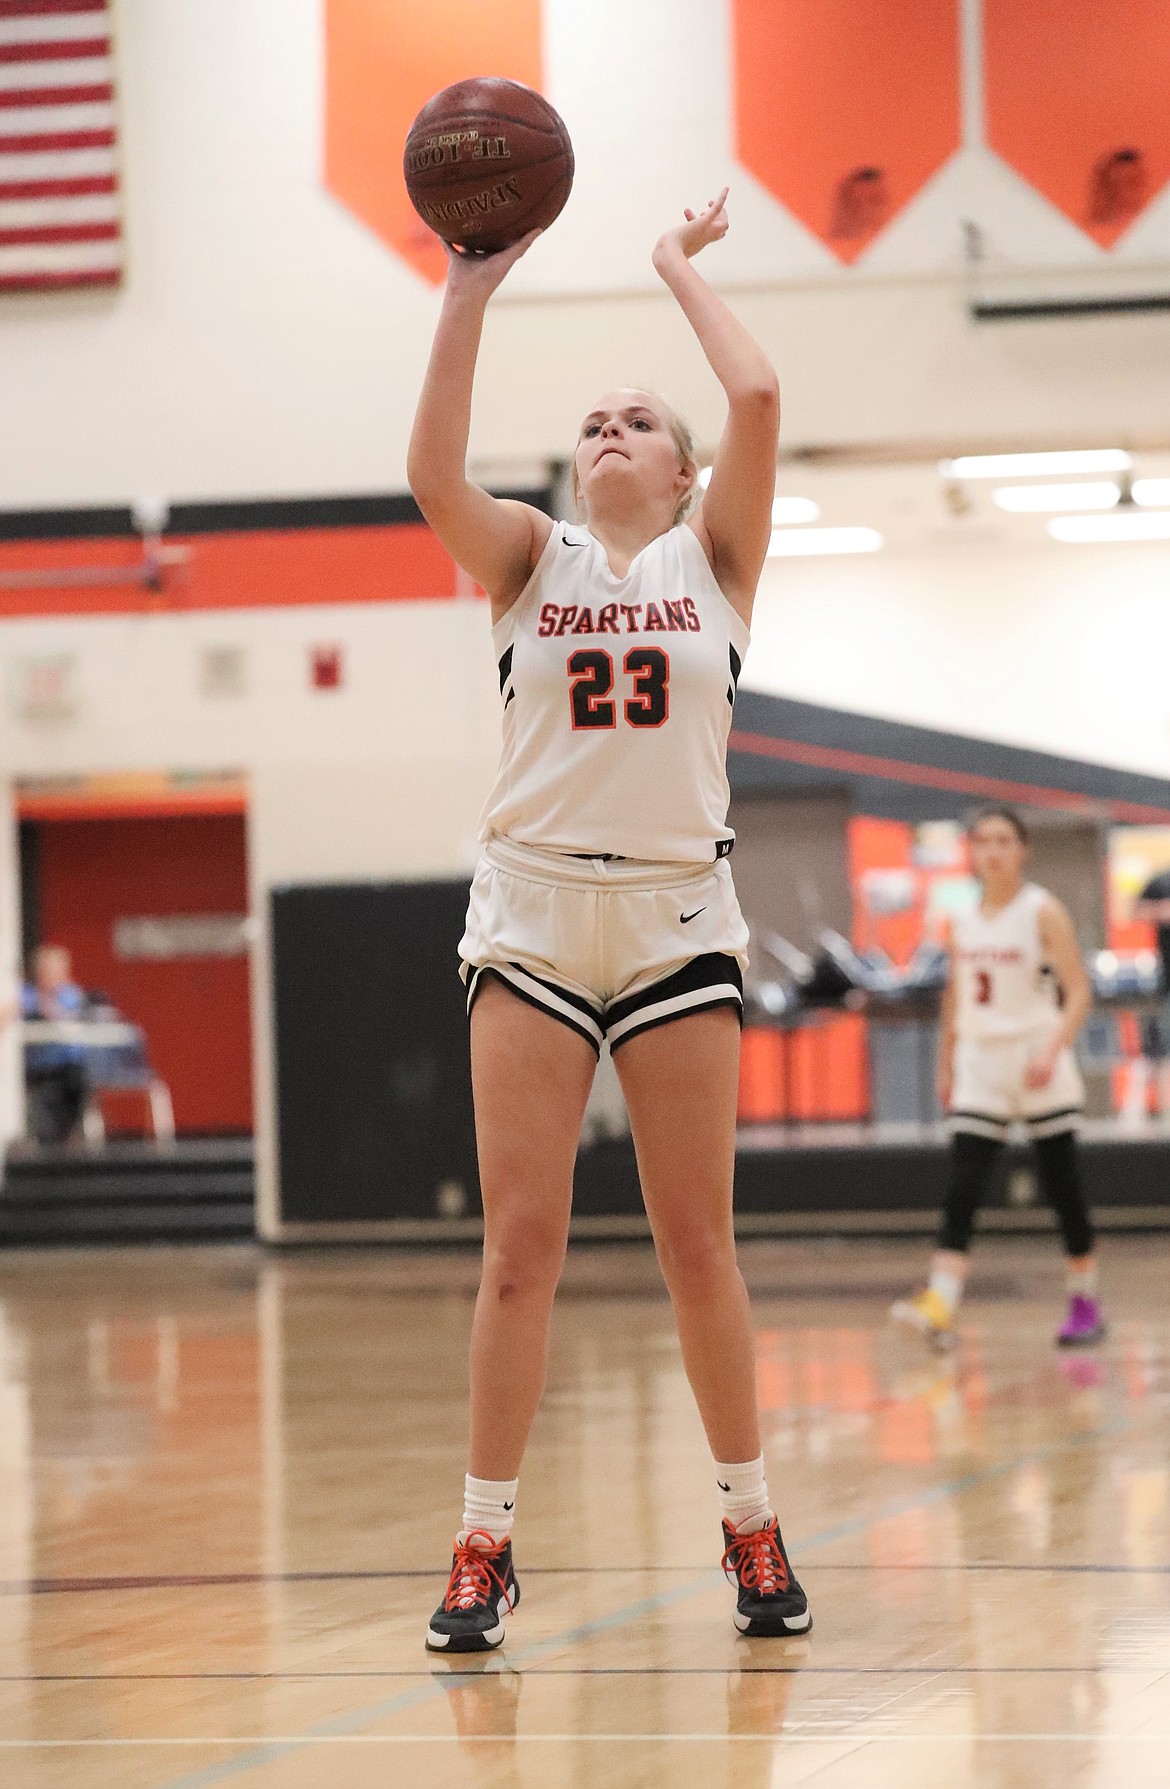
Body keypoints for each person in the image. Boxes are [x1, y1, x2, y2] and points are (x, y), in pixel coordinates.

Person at [407, 189, 811, 1652]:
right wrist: (470, 285)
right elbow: (426, 470)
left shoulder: (719, 560)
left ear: (684, 468)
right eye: (590, 421)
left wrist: (665, 267)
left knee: (695, 1242)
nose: (606, 432)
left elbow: (757, 388)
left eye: (636, 419)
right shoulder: (526, 557)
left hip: (675, 921)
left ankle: (748, 1517)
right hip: (529, 913)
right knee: (520, 1249)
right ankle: (480, 1542)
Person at [892, 807, 1105, 1350]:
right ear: (973, 851)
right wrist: (945, 1063)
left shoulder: (1042, 911)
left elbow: (1079, 992)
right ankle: (941, 1301)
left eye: (1004, 840)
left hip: (1037, 1054)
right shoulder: (961, 919)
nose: (993, 851)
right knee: (964, 1184)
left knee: (1063, 1185)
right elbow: (955, 997)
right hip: (981, 1062)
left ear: (1022, 849)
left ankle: (1084, 1299)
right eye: (983, 841)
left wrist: (1053, 1048)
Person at [21, 944, 89, 1143]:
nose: (53, 977)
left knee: (77, 1086)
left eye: (57, 971)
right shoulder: (27, 995)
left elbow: (73, 1021)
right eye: (48, 971)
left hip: (70, 1071)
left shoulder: (72, 995)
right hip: (38, 1074)